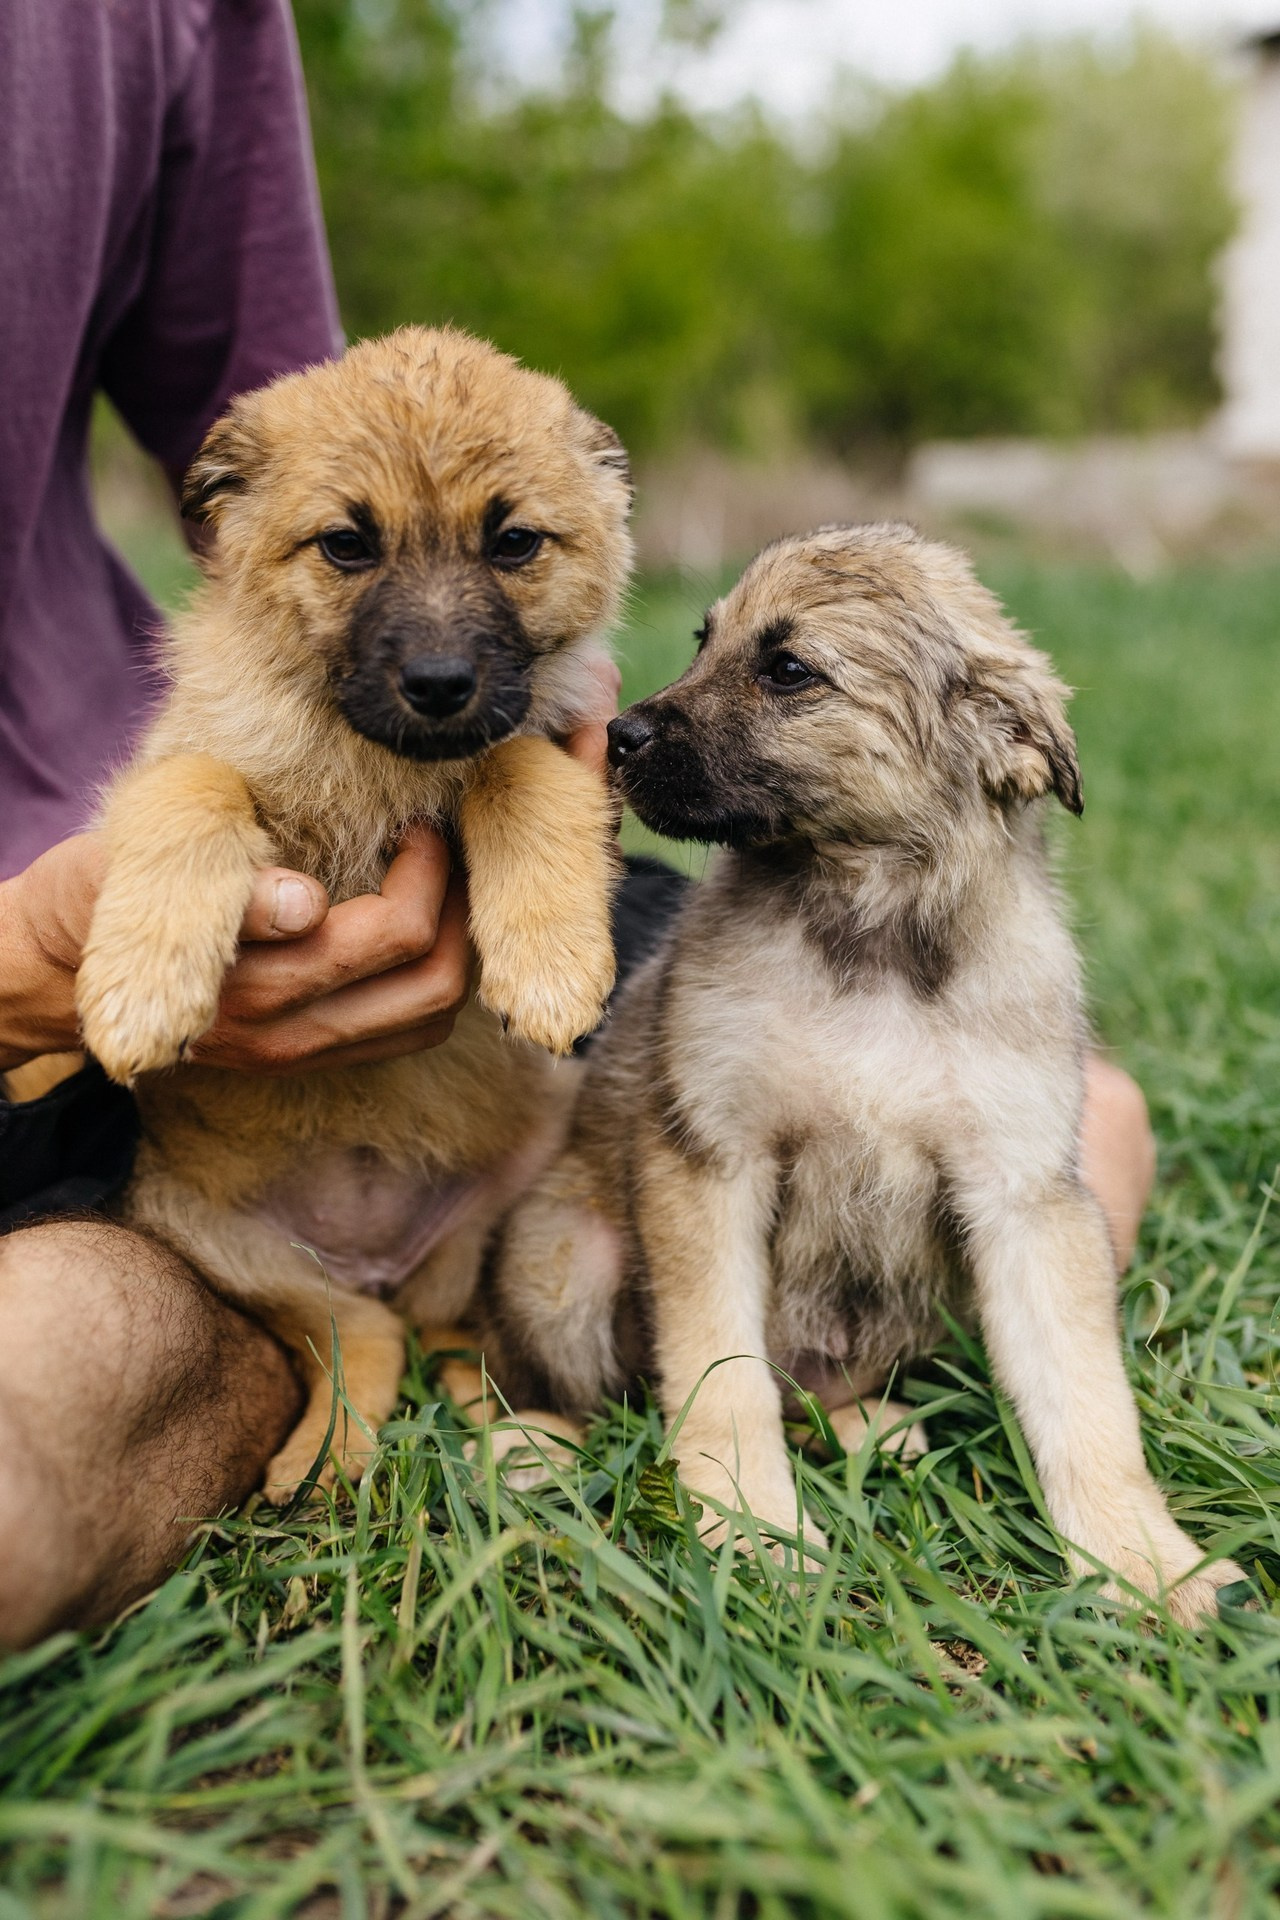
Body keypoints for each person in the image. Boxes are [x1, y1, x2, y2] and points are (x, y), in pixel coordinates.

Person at [0, 0, 1155, 1651]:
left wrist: (538, 756)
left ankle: (821, 1342)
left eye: (516, 552)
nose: (449, 628)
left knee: (1058, 1116)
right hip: (103, 1034)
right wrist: (25, 978)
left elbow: (312, 415)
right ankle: (367, 1345)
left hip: (435, 957)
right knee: (51, 1410)